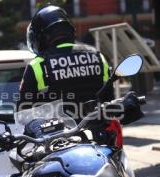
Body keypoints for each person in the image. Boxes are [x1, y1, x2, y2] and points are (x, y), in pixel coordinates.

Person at [17, 5, 115, 144]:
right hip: (100, 137)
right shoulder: (97, 56)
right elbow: (110, 98)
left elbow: (23, 113)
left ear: (42, 37)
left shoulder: (39, 65)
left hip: (61, 141)